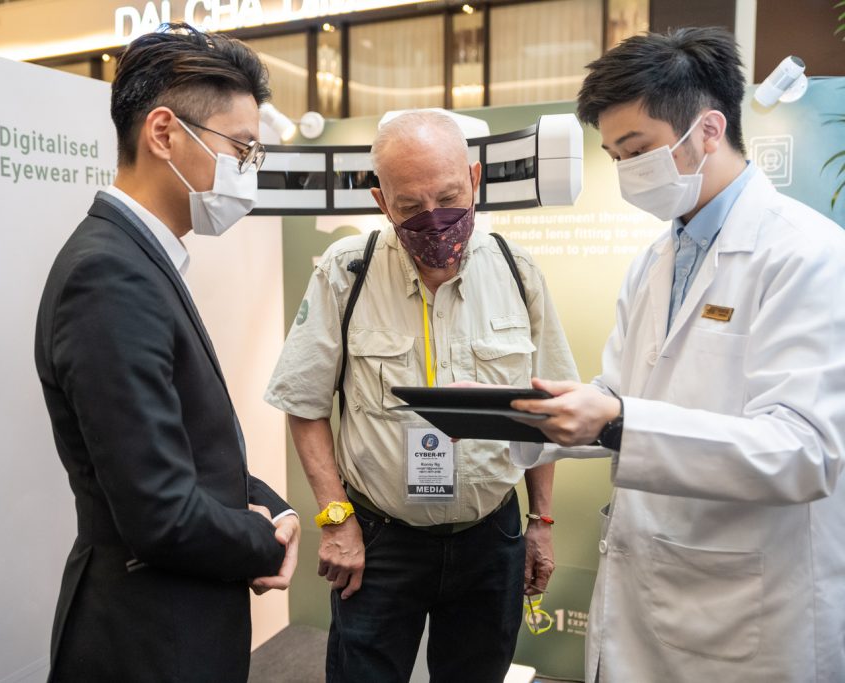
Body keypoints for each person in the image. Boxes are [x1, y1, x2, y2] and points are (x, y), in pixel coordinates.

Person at [501, 27, 845, 682]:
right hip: (652, 585)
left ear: (709, 130)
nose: (628, 173)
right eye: (615, 156)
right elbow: (623, 394)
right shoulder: (656, 260)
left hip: (750, 606)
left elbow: (804, 451)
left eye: (638, 151)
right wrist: (529, 417)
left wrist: (617, 420)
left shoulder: (807, 255)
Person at [265, 110, 579, 683]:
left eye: (450, 196)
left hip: (491, 537)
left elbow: (544, 410)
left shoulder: (517, 271)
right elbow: (304, 404)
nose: (434, 219)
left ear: (475, 179)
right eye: (410, 205)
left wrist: (542, 520)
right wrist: (335, 519)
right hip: (380, 538)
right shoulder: (346, 271)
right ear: (381, 201)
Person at [34, 25, 299, 683]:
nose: (247, 169)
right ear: (163, 133)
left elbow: (186, 446)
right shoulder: (109, 275)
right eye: (241, 148)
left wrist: (273, 504)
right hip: (149, 637)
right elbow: (160, 510)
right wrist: (264, 540)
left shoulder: (138, 259)